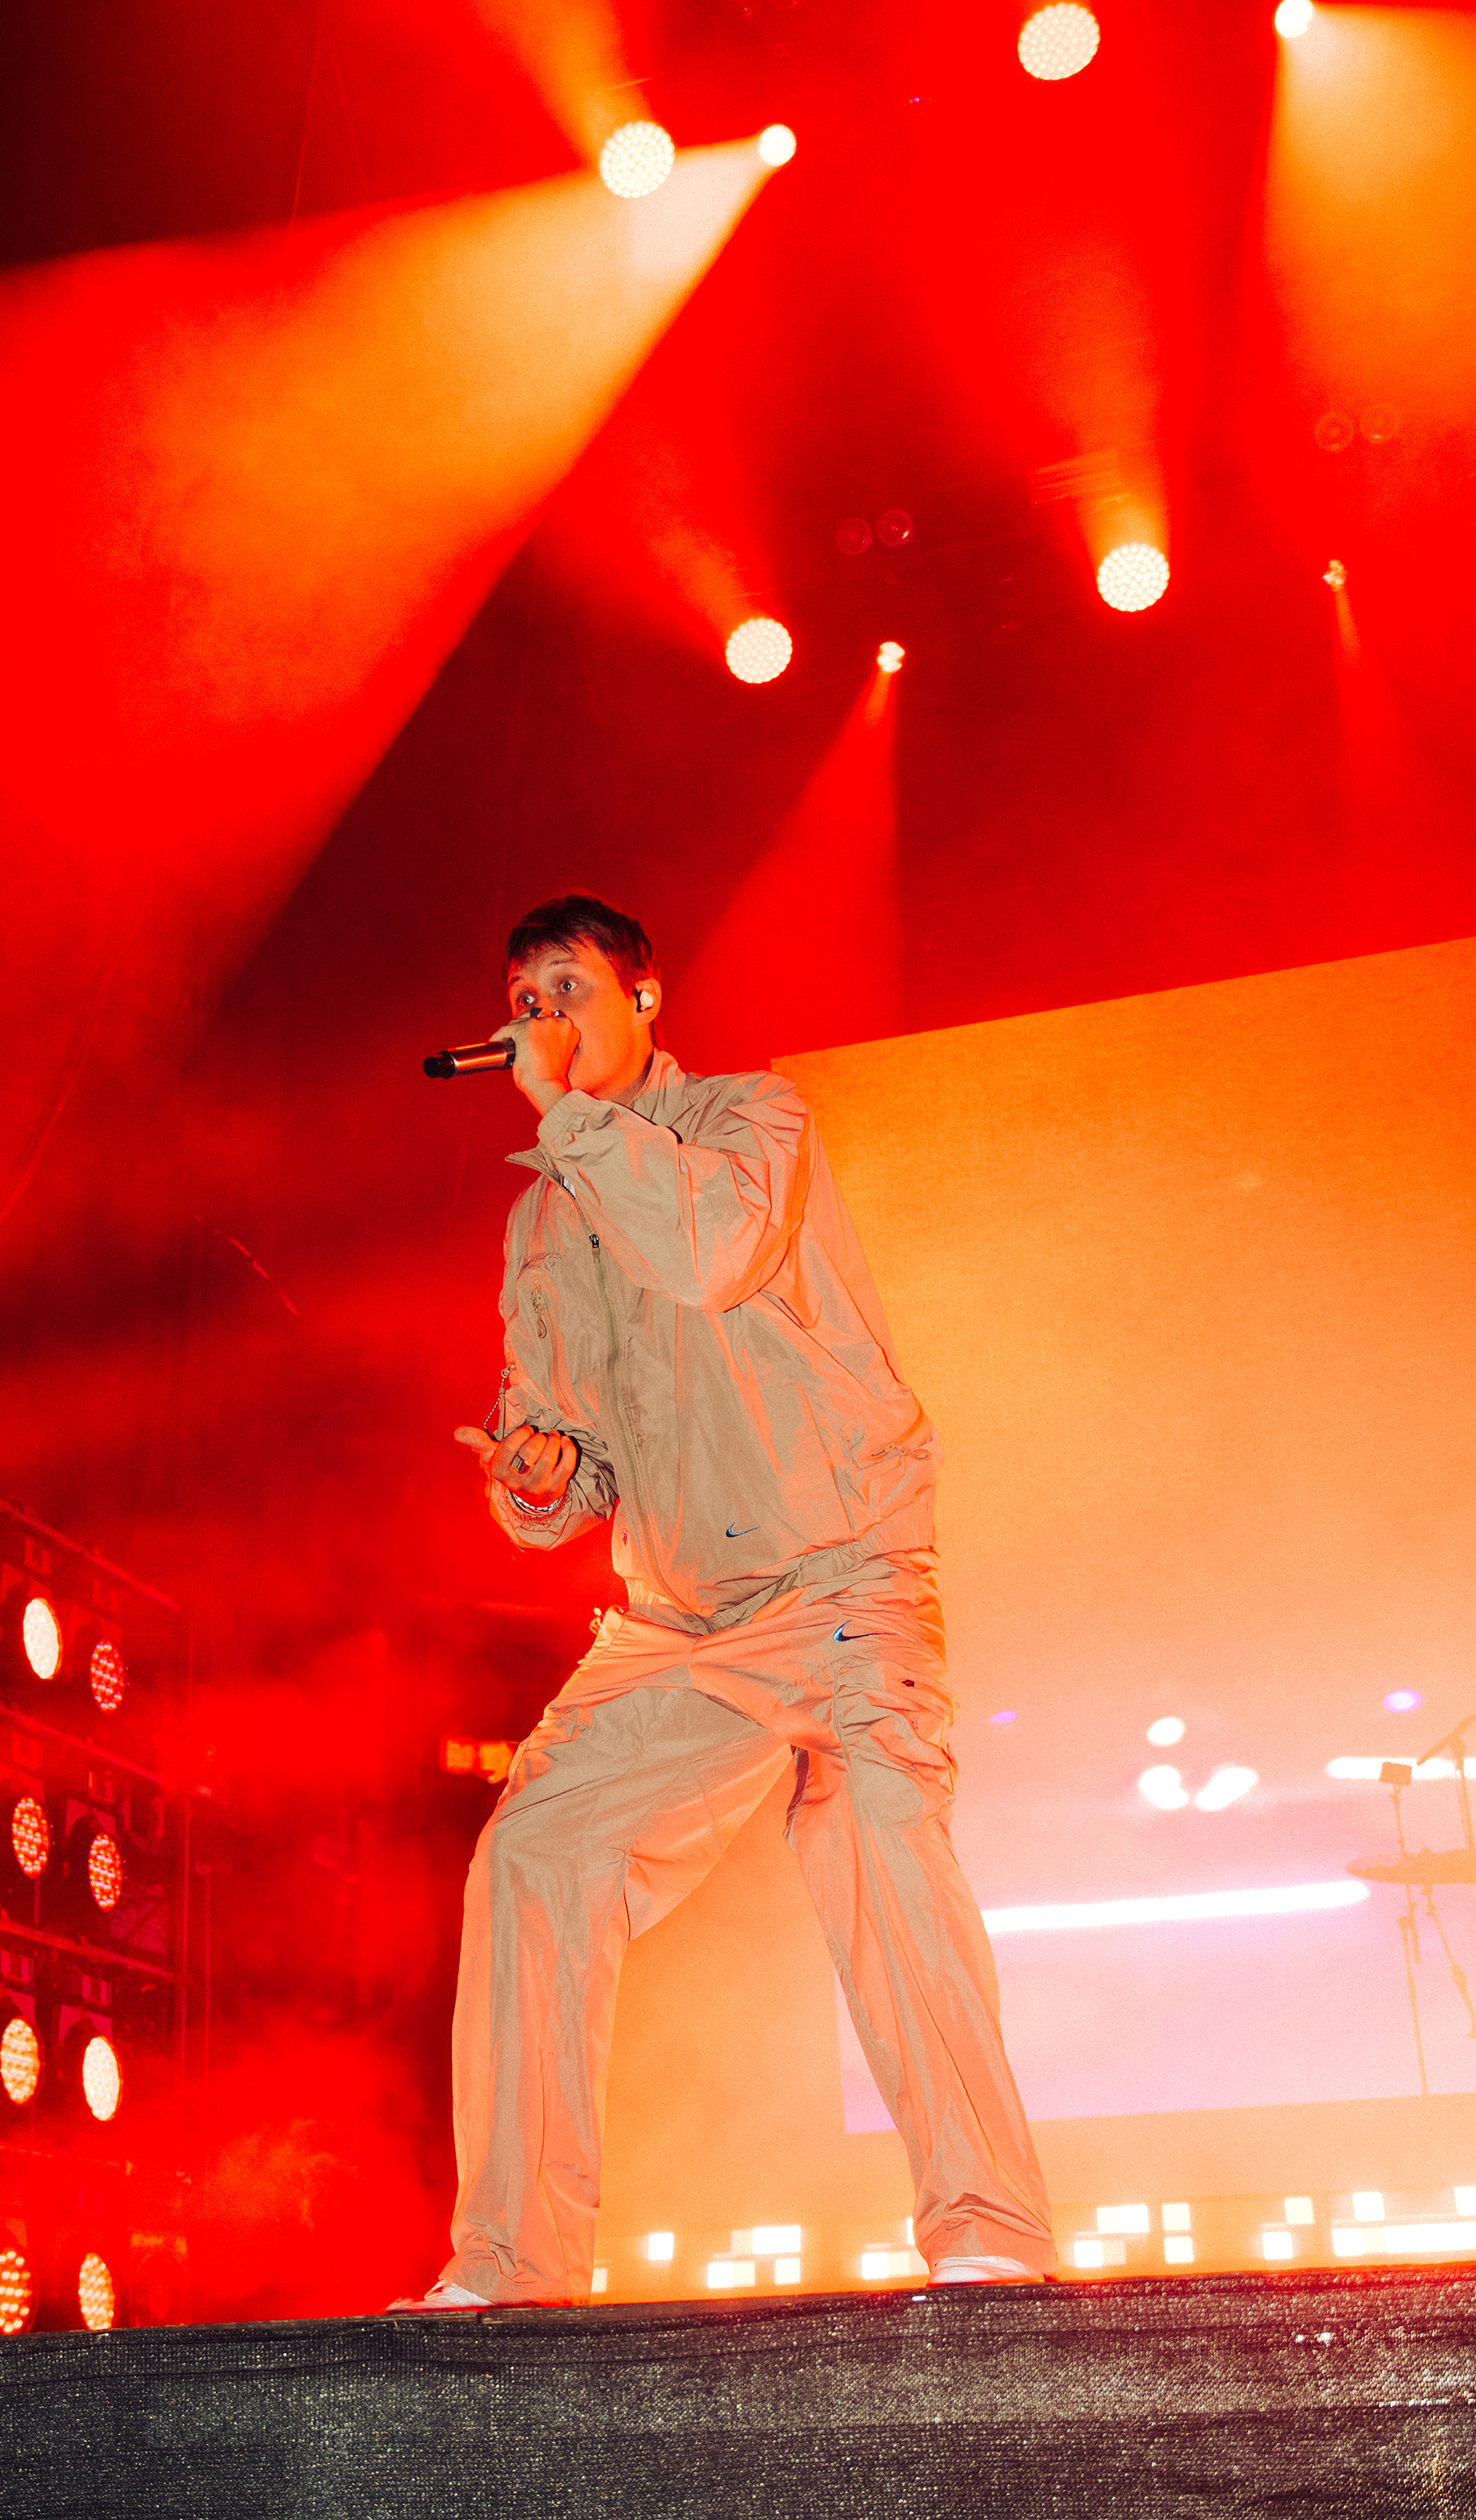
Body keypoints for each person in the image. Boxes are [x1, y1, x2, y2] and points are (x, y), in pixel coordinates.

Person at [393, 894, 1054, 2310]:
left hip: (842, 1572)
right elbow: (568, 1448)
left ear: (646, 999)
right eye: (523, 998)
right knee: (536, 1853)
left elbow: (707, 1251)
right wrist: (537, 1475)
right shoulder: (541, 1220)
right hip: (679, 1620)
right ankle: (513, 2265)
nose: (541, 1019)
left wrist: (568, 1121)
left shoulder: (755, 1123)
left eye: (567, 989)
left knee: (878, 1842)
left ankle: (989, 2229)